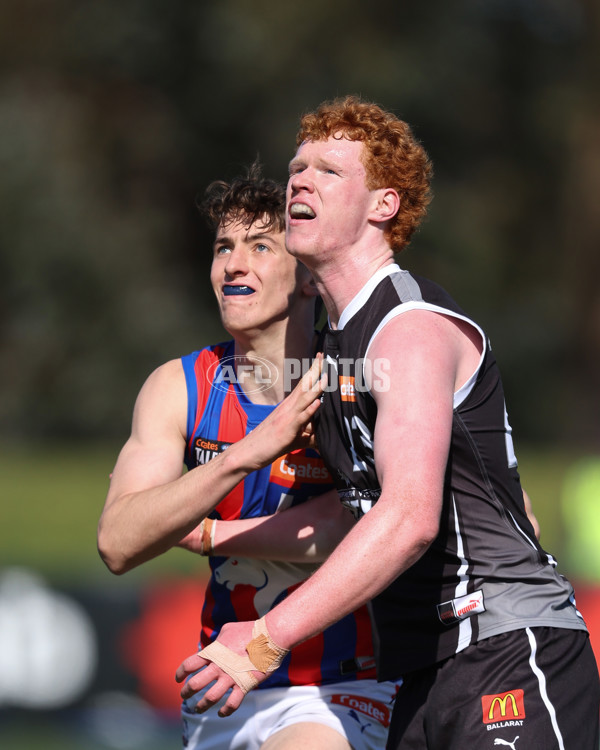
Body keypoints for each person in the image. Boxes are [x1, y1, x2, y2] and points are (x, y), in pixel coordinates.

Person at [176, 97, 600, 749]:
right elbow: (361, 513)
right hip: (424, 674)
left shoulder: (407, 330)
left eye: (328, 171)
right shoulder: (337, 348)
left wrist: (265, 639)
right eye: (297, 167)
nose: (300, 180)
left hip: (508, 652)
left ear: (384, 206)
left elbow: (407, 518)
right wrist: (211, 532)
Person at [98, 163, 400, 750]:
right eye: (223, 247)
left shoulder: (358, 380)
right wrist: (245, 454)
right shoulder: (179, 385)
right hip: (224, 686)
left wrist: (208, 534)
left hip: (342, 687)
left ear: (311, 277)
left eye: (260, 246)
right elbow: (117, 541)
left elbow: (362, 526)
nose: (233, 264)